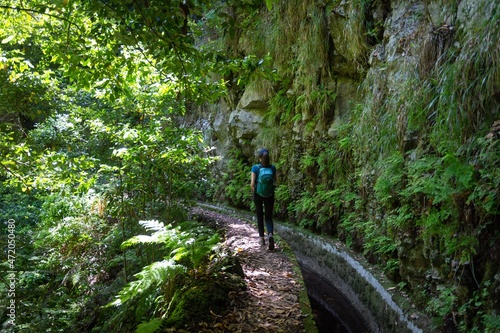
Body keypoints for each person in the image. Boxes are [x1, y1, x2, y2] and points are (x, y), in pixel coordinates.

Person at [250, 148, 277, 250]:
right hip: (270, 194)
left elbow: (252, 184)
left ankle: (261, 238)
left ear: (260, 158)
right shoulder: (273, 168)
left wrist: (256, 191)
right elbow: (275, 182)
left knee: (260, 215)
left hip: (258, 194)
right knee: (269, 217)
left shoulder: (255, 168)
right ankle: (270, 234)